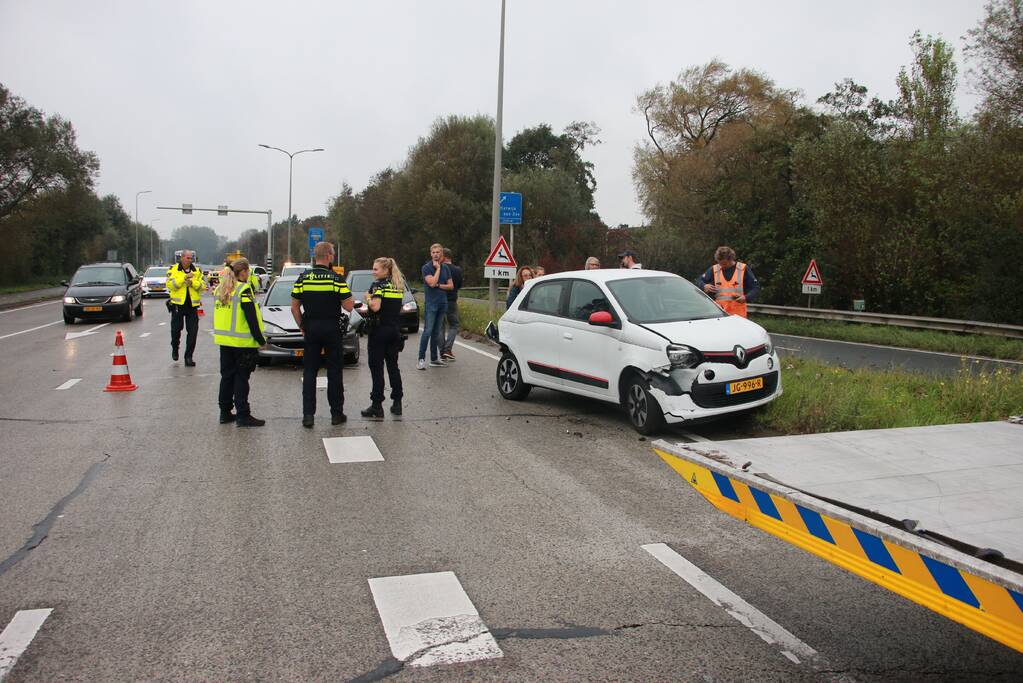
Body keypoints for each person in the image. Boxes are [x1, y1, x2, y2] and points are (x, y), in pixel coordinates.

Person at [290, 241, 354, 427]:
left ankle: (308, 416)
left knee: (310, 371)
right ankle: (336, 414)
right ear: (328, 256)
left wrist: (302, 325)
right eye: (332, 254)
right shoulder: (336, 279)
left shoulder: (303, 279)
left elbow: (294, 307)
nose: (333, 257)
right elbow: (348, 306)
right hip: (332, 328)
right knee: (334, 371)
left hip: (311, 328)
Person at [212, 258, 267, 427]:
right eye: (248, 271)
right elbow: (251, 318)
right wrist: (260, 340)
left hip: (225, 341)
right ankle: (243, 414)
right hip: (242, 343)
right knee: (241, 379)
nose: (249, 274)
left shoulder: (221, 289)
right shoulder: (243, 290)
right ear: (242, 272)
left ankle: (225, 413)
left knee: (227, 377)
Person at [361, 257, 406, 418]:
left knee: (377, 368)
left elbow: (375, 306)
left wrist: (367, 296)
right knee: (393, 367)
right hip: (394, 330)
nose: (373, 272)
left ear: (385, 270)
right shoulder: (397, 286)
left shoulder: (378, 285)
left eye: (376, 269)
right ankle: (397, 403)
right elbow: (398, 308)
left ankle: (377, 405)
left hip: (379, 330)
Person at [697, 246, 761, 318]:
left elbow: (755, 287)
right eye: (719, 263)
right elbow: (699, 280)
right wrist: (704, 286)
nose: (721, 266)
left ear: (731, 259)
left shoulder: (743, 268)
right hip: (719, 315)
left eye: (724, 264)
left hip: (738, 315)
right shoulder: (714, 269)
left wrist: (746, 297)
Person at [166, 249, 205, 366]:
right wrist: (183, 279)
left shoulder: (197, 271)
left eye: (191, 258)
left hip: (192, 306)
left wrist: (192, 283)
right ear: (182, 258)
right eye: (187, 258)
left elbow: (203, 286)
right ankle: (175, 348)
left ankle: (188, 357)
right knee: (176, 330)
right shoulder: (173, 270)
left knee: (193, 332)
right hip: (178, 306)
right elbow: (170, 285)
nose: (190, 260)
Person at [418, 243, 452, 370]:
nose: (436, 254)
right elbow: (431, 283)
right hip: (431, 304)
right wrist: (437, 269)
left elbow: (450, 286)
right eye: (434, 252)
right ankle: (421, 359)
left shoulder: (446, 268)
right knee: (427, 331)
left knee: (436, 332)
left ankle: (434, 359)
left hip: (442, 302)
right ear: (430, 254)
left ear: (441, 254)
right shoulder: (426, 268)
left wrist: (439, 285)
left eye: (438, 252)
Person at [441, 247, 463, 362]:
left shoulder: (438, 269)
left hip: (439, 300)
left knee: (440, 326)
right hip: (451, 301)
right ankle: (447, 349)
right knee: (454, 325)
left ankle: (442, 351)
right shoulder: (457, 270)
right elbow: (459, 285)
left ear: (444, 257)